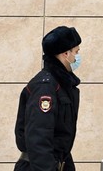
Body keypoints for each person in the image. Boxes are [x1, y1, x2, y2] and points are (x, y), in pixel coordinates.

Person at [14, 26, 82, 171]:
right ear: (65, 54)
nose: (77, 57)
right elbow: (39, 140)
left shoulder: (61, 85)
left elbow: (60, 139)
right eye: (76, 52)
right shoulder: (45, 87)